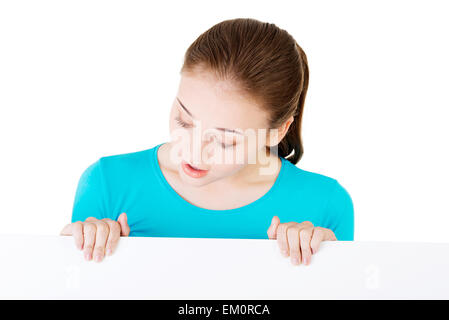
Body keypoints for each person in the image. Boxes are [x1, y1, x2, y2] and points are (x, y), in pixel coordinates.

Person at [60, 18, 354, 266]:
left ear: (277, 132)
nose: (192, 150)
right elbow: (67, 287)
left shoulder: (326, 204)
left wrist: (330, 266)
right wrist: (76, 253)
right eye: (184, 121)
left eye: (225, 141)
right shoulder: (108, 183)